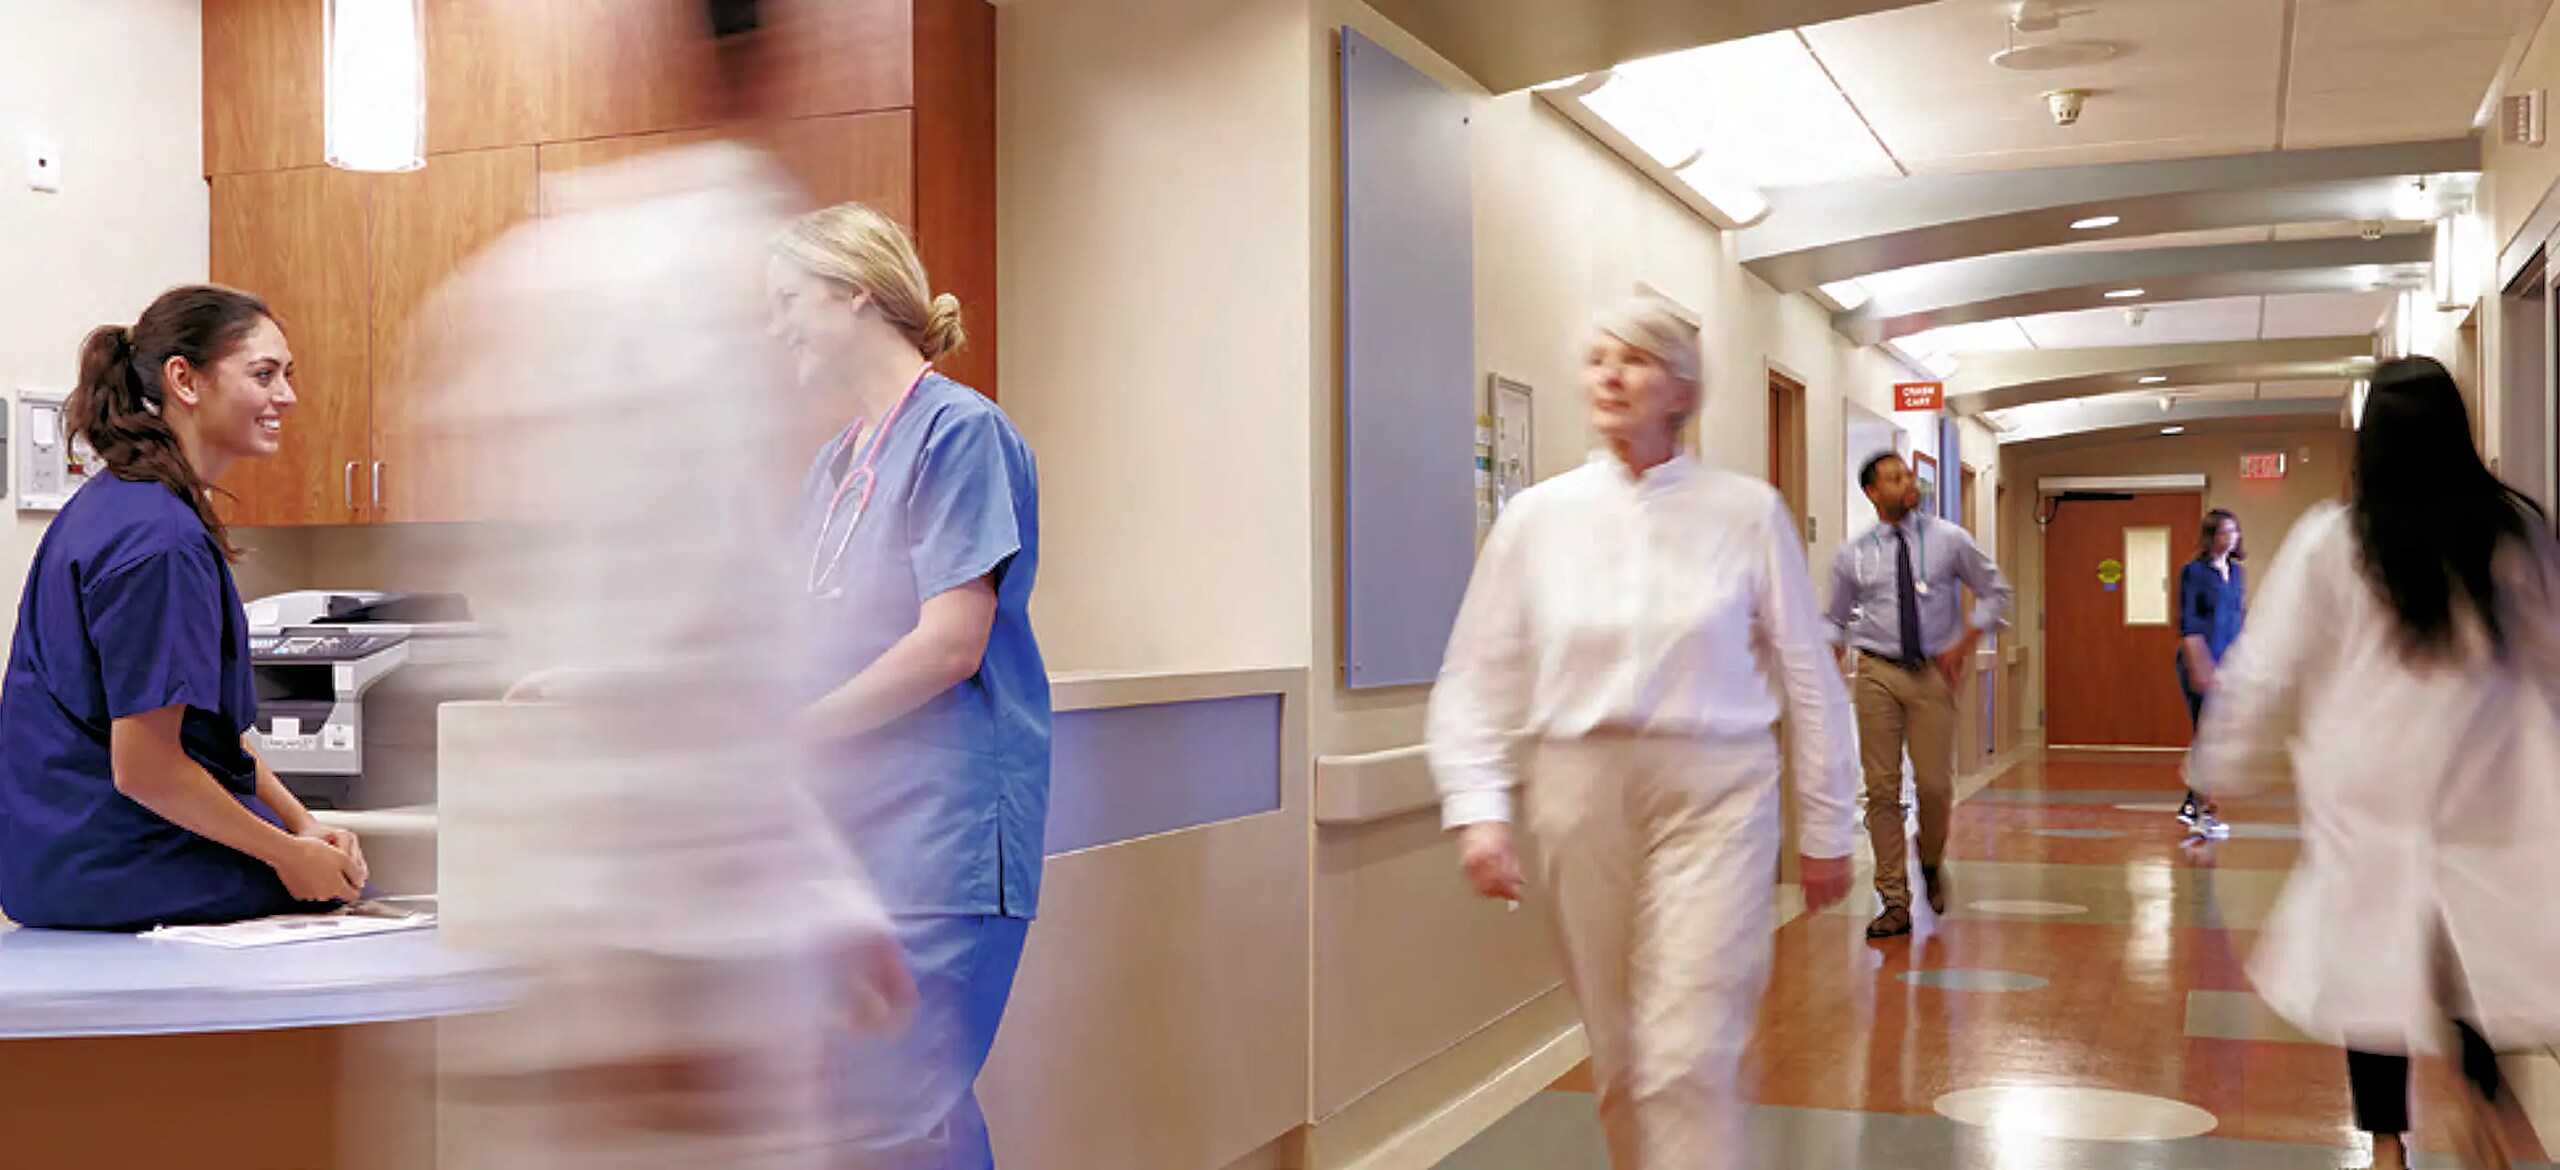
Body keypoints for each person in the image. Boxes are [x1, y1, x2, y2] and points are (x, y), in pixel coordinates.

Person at [401, 5, 915, 1167]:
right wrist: (702, 985)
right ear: (779, 56)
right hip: (664, 997)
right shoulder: (683, 298)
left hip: (632, 976)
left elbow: (700, 661)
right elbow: (675, 675)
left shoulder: (531, 282)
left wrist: (819, 900)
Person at [1427, 296, 1857, 1169]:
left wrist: (1827, 822)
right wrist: (1477, 808)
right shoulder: (1537, 520)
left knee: (1687, 1054)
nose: (1612, 376)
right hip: (1577, 795)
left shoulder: (1745, 512)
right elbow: (1477, 674)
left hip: (1718, 791)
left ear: (1682, 389)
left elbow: (1810, 676)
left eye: (1638, 360)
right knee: (1622, 1059)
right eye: (1597, 359)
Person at [2190, 356, 2560, 1170]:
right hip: (2482, 784)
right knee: (2470, 954)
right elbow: (2552, 653)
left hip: (2369, 792)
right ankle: (2483, 1096)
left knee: (2373, 970)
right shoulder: (2513, 533)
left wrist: (2222, 759)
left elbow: (2269, 666)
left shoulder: (2335, 541)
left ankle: (2389, 1145)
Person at [773, 202, 1048, 1170]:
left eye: (789, 300)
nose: (779, 327)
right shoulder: (835, 462)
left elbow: (949, 646)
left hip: (942, 835)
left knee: (899, 1119)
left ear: (855, 293)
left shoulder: (960, 434)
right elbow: (789, 633)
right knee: (887, 1116)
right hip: (855, 838)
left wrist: (797, 735)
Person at [0, 285, 367, 930]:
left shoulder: (122, 507)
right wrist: (287, 856)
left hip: (64, 857)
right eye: (264, 374)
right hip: (115, 865)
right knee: (338, 898)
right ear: (184, 381)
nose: (288, 396)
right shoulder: (159, 543)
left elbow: (210, 740)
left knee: (326, 872)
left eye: (287, 376)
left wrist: (301, 822)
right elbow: (146, 768)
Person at [1826, 450, 2013, 940]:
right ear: (1872, 492)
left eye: (1908, 474)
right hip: (1876, 673)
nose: (1907, 483)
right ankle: (1893, 899)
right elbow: (1835, 617)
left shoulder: (1949, 540)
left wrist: (1968, 638)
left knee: (1933, 787)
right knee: (1882, 790)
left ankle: (1929, 859)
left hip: (1933, 673)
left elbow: (1996, 591)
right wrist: (1825, 655)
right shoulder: (1855, 553)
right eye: (1894, 478)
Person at [2175, 508, 2244, 840]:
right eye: (2223, 532)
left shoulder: (2236, 573)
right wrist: (2200, 665)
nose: (2230, 538)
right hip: (2200, 662)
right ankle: (2204, 811)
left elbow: (2237, 621)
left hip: (2228, 664)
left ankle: (2191, 804)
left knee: (2214, 737)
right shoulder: (2193, 572)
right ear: (2210, 536)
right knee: (2209, 737)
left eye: (2234, 531)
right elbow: (2188, 624)